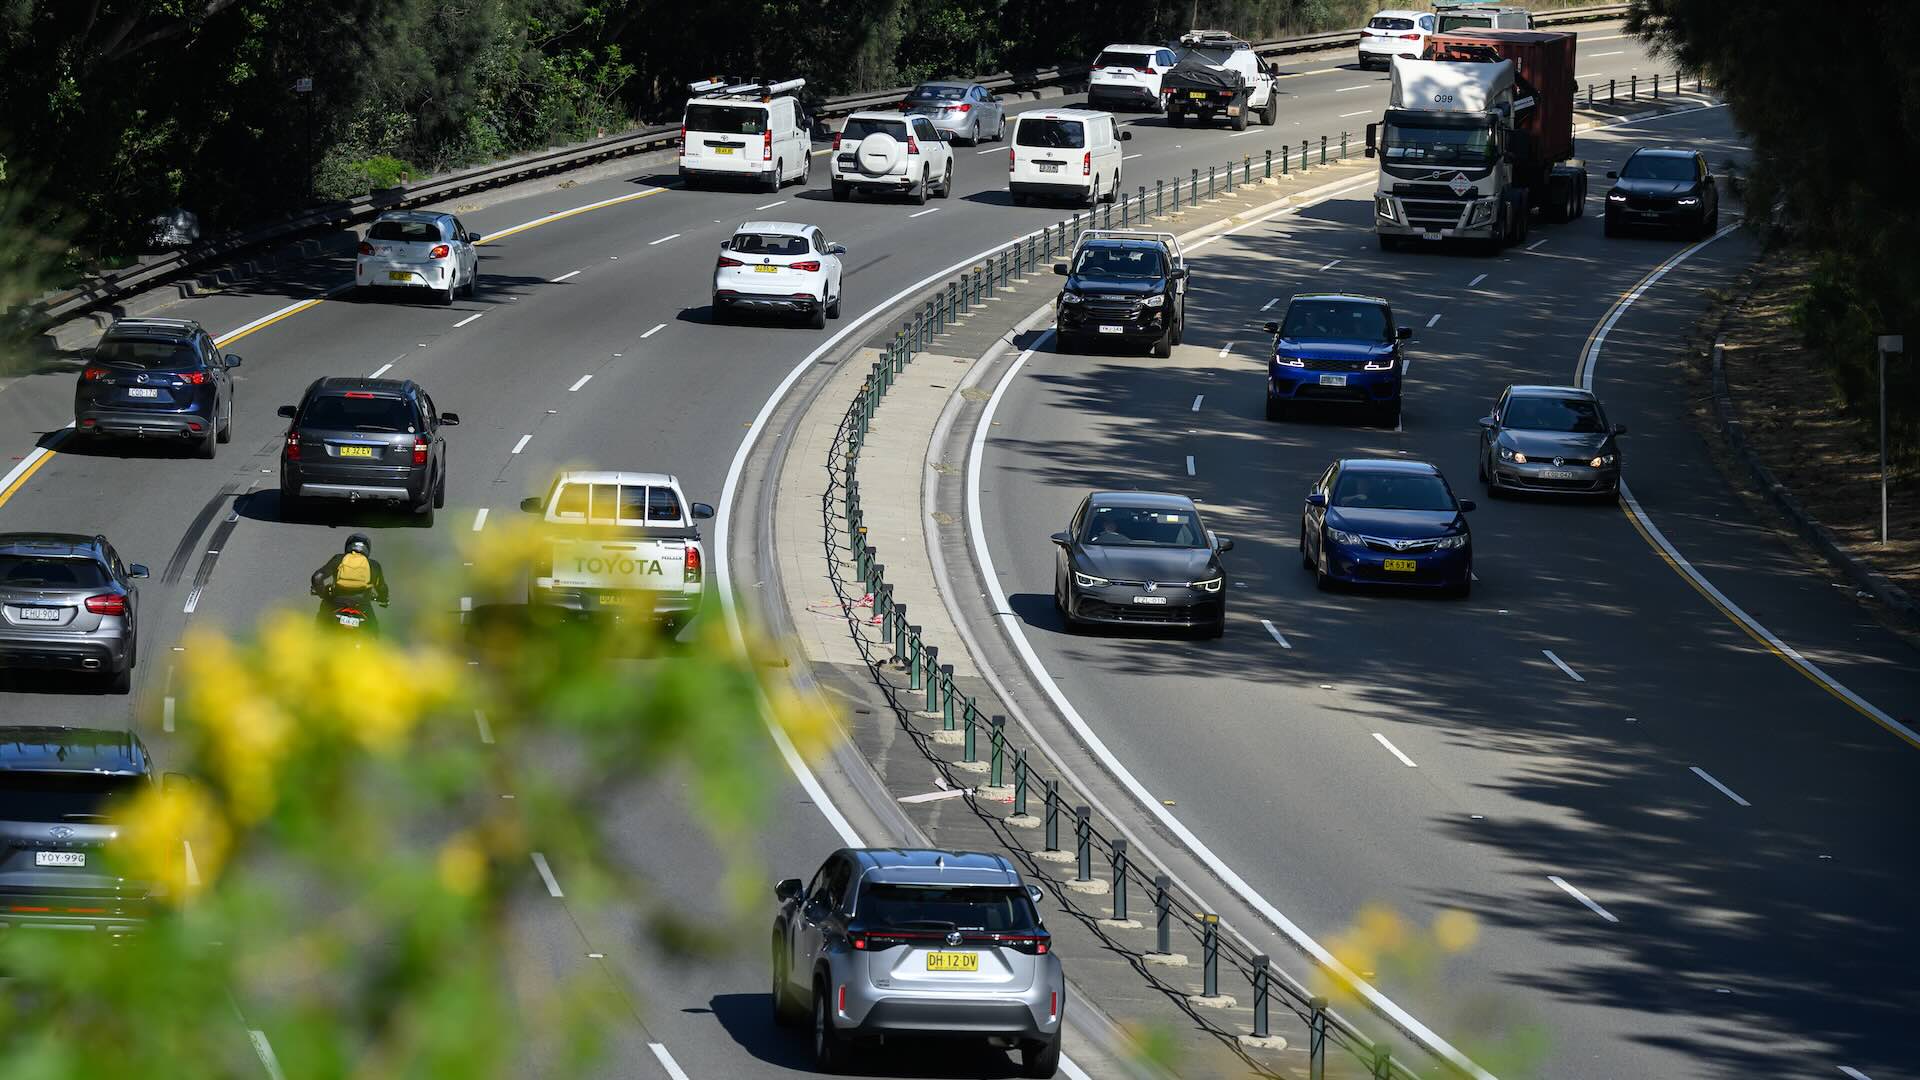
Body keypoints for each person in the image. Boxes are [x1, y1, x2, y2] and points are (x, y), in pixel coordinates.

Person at [311, 533, 389, 622]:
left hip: (337, 602)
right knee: (373, 630)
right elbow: (381, 587)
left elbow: (317, 577)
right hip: (362, 605)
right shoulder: (374, 565)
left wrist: (324, 595)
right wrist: (383, 599)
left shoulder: (339, 559)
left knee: (322, 622)